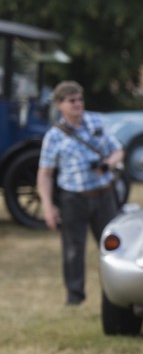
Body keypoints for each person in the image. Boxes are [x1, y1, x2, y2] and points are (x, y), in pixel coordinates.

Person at [36, 81, 124, 306]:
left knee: (113, 247)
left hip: (104, 195)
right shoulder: (54, 136)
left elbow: (118, 150)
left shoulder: (96, 121)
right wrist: (47, 206)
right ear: (60, 105)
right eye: (71, 101)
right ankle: (75, 298)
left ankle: (116, 294)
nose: (77, 104)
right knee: (73, 250)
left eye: (80, 100)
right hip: (73, 198)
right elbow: (45, 174)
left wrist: (108, 164)